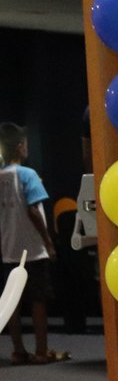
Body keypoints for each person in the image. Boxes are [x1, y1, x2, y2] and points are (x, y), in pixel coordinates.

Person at [0, 122, 68, 365]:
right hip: (33, 249)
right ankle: (41, 351)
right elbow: (33, 210)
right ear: (20, 147)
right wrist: (48, 242)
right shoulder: (27, 175)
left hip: (8, 249)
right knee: (38, 299)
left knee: (13, 301)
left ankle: (18, 350)